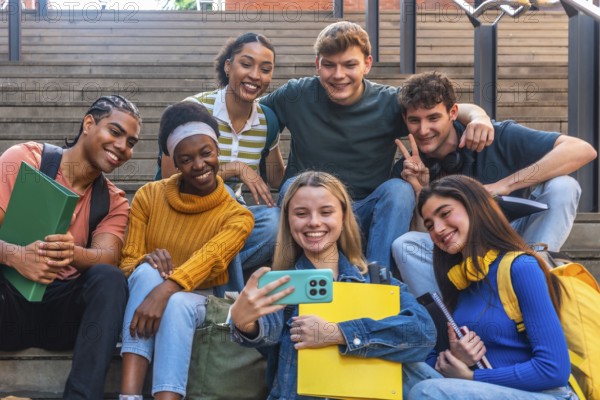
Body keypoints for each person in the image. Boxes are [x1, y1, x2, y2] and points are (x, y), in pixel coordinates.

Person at [259, 21, 495, 270]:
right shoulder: (296, 95)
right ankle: (296, 275)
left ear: (367, 64)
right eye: (329, 65)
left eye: (350, 65)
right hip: (310, 208)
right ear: (318, 64)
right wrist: (257, 154)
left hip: (366, 209)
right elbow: (248, 112)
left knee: (399, 191)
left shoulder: (389, 102)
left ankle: (377, 278)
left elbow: (446, 108)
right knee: (289, 188)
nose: (339, 75)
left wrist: (479, 117)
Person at [229, 170, 438, 399]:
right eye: (301, 213)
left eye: (326, 211)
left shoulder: (377, 280)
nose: (314, 222)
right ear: (288, 220)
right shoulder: (282, 283)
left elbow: (423, 334)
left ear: (343, 216)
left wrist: (338, 333)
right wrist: (244, 322)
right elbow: (267, 330)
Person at [392, 71, 597, 297]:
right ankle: (448, 322)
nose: (423, 130)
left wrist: (505, 185)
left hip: (516, 243)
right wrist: (420, 191)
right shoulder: (409, 167)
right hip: (459, 257)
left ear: (453, 113)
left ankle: (535, 277)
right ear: (405, 120)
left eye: (433, 118)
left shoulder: (494, 135)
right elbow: (424, 237)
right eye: (414, 120)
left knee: (563, 186)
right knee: (404, 245)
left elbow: (581, 150)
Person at [0, 95, 142, 399]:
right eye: (115, 132)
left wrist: (73, 253)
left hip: (61, 318)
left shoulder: (114, 200)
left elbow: (108, 256)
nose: (122, 147)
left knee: (110, 278)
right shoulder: (26, 160)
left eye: (131, 142)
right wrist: (15, 256)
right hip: (9, 303)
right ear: (88, 123)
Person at [118, 101, 254, 400]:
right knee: (145, 271)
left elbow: (212, 258)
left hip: (201, 298)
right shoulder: (149, 196)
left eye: (206, 153)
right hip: (145, 290)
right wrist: (146, 261)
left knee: (176, 301)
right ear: (175, 163)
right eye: (186, 158)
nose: (199, 165)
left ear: (218, 152)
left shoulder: (237, 215)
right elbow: (127, 263)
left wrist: (166, 289)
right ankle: (129, 395)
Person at [407, 175, 577, 399]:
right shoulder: (458, 281)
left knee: (427, 392)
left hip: (544, 394)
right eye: (429, 225)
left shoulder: (520, 267)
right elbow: (437, 363)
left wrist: (471, 378)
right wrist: (456, 359)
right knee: (403, 368)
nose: (437, 229)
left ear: (474, 207)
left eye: (445, 213)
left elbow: (553, 370)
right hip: (482, 389)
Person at [159, 32, 284, 276]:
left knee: (274, 222)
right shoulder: (193, 109)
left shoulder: (268, 120)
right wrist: (235, 168)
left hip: (230, 219)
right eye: (246, 64)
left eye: (265, 69)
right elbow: (169, 179)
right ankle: (223, 289)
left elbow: (277, 178)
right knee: (222, 192)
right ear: (228, 66)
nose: (255, 76)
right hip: (183, 213)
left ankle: (198, 269)